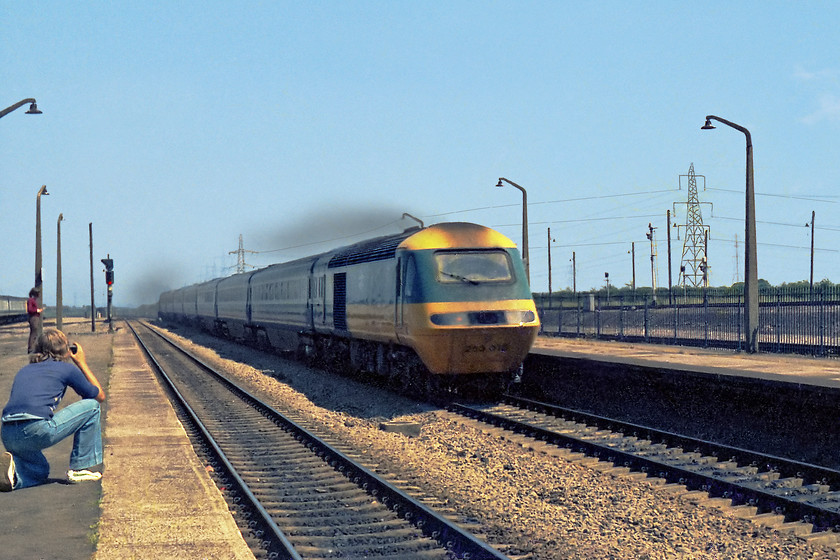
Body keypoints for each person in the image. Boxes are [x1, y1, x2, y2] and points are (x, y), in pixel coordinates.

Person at [0, 328, 106, 491]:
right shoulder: (67, 369)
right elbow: (99, 396)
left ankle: (14, 476)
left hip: (8, 433)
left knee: (41, 470)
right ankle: (79, 468)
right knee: (92, 407)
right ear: (66, 350)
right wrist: (81, 362)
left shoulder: (24, 370)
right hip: (35, 429)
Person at [26, 287, 44, 354]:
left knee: (34, 333)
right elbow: (30, 309)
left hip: (35, 317)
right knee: (33, 333)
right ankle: (31, 348)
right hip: (33, 318)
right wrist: (37, 310)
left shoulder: (32, 300)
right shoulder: (31, 300)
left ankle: (32, 347)